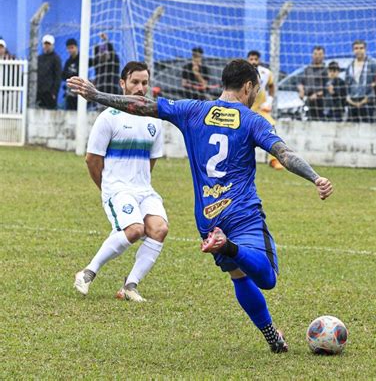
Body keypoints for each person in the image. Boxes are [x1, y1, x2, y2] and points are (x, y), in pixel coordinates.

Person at [68, 59, 333, 353]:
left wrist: (96, 96)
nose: (255, 95)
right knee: (267, 277)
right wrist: (315, 177)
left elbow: (140, 106)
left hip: (208, 218)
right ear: (248, 87)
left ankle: (272, 336)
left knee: (238, 275)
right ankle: (229, 246)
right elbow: (283, 153)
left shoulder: (192, 110)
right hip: (242, 214)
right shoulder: (251, 120)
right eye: (256, 90)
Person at [73, 61, 168, 302]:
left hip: (143, 189)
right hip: (117, 188)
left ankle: (130, 286)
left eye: (144, 83)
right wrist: (108, 189)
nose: (140, 88)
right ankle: (87, 272)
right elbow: (92, 160)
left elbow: (151, 161)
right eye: (135, 82)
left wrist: (141, 183)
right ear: (122, 84)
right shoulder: (109, 118)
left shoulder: (154, 120)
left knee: (159, 229)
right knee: (135, 230)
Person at [247, 50, 283, 170]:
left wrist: (269, 101)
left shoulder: (266, 73)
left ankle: (273, 160)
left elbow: (272, 86)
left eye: (255, 59)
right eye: (251, 59)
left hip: (260, 109)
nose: (253, 61)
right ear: (248, 60)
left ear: (259, 60)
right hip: (245, 108)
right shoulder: (242, 73)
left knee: (271, 128)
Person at [345, 40, 376, 122]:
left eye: (361, 48)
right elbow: (347, 83)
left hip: (367, 101)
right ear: (353, 50)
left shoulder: (372, 64)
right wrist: (348, 97)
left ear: (365, 49)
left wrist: (368, 97)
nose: (358, 50)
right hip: (352, 100)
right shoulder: (350, 66)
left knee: (367, 125)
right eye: (356, 48)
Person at [297, 46, 327, 120]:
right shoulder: (308, 69)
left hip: (321, 103)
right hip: (308, 101)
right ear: (312, 55)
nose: (317, 56)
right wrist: (301, 90)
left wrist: (317, 95)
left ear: (324, 56)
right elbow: (300, 82)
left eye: (320, 54)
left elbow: (327, 88)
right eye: (315, 54)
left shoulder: (326, 70)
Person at [37, 34, 62, 109]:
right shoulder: (39, 58)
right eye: (45, 44)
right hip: (39, 92)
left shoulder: (56, 59)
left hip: (49, 93)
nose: (46, 46)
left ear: (52, 45)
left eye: (48, 44)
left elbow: (58, 76)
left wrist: (54, 92)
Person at [62, 38, 80, 110]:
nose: (70, 50)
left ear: (76, 47)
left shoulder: (82, 59)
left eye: (72, 48)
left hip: (80, 91)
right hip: (70, 91)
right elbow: (63, 76)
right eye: (68, 48)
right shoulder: (68, 62)